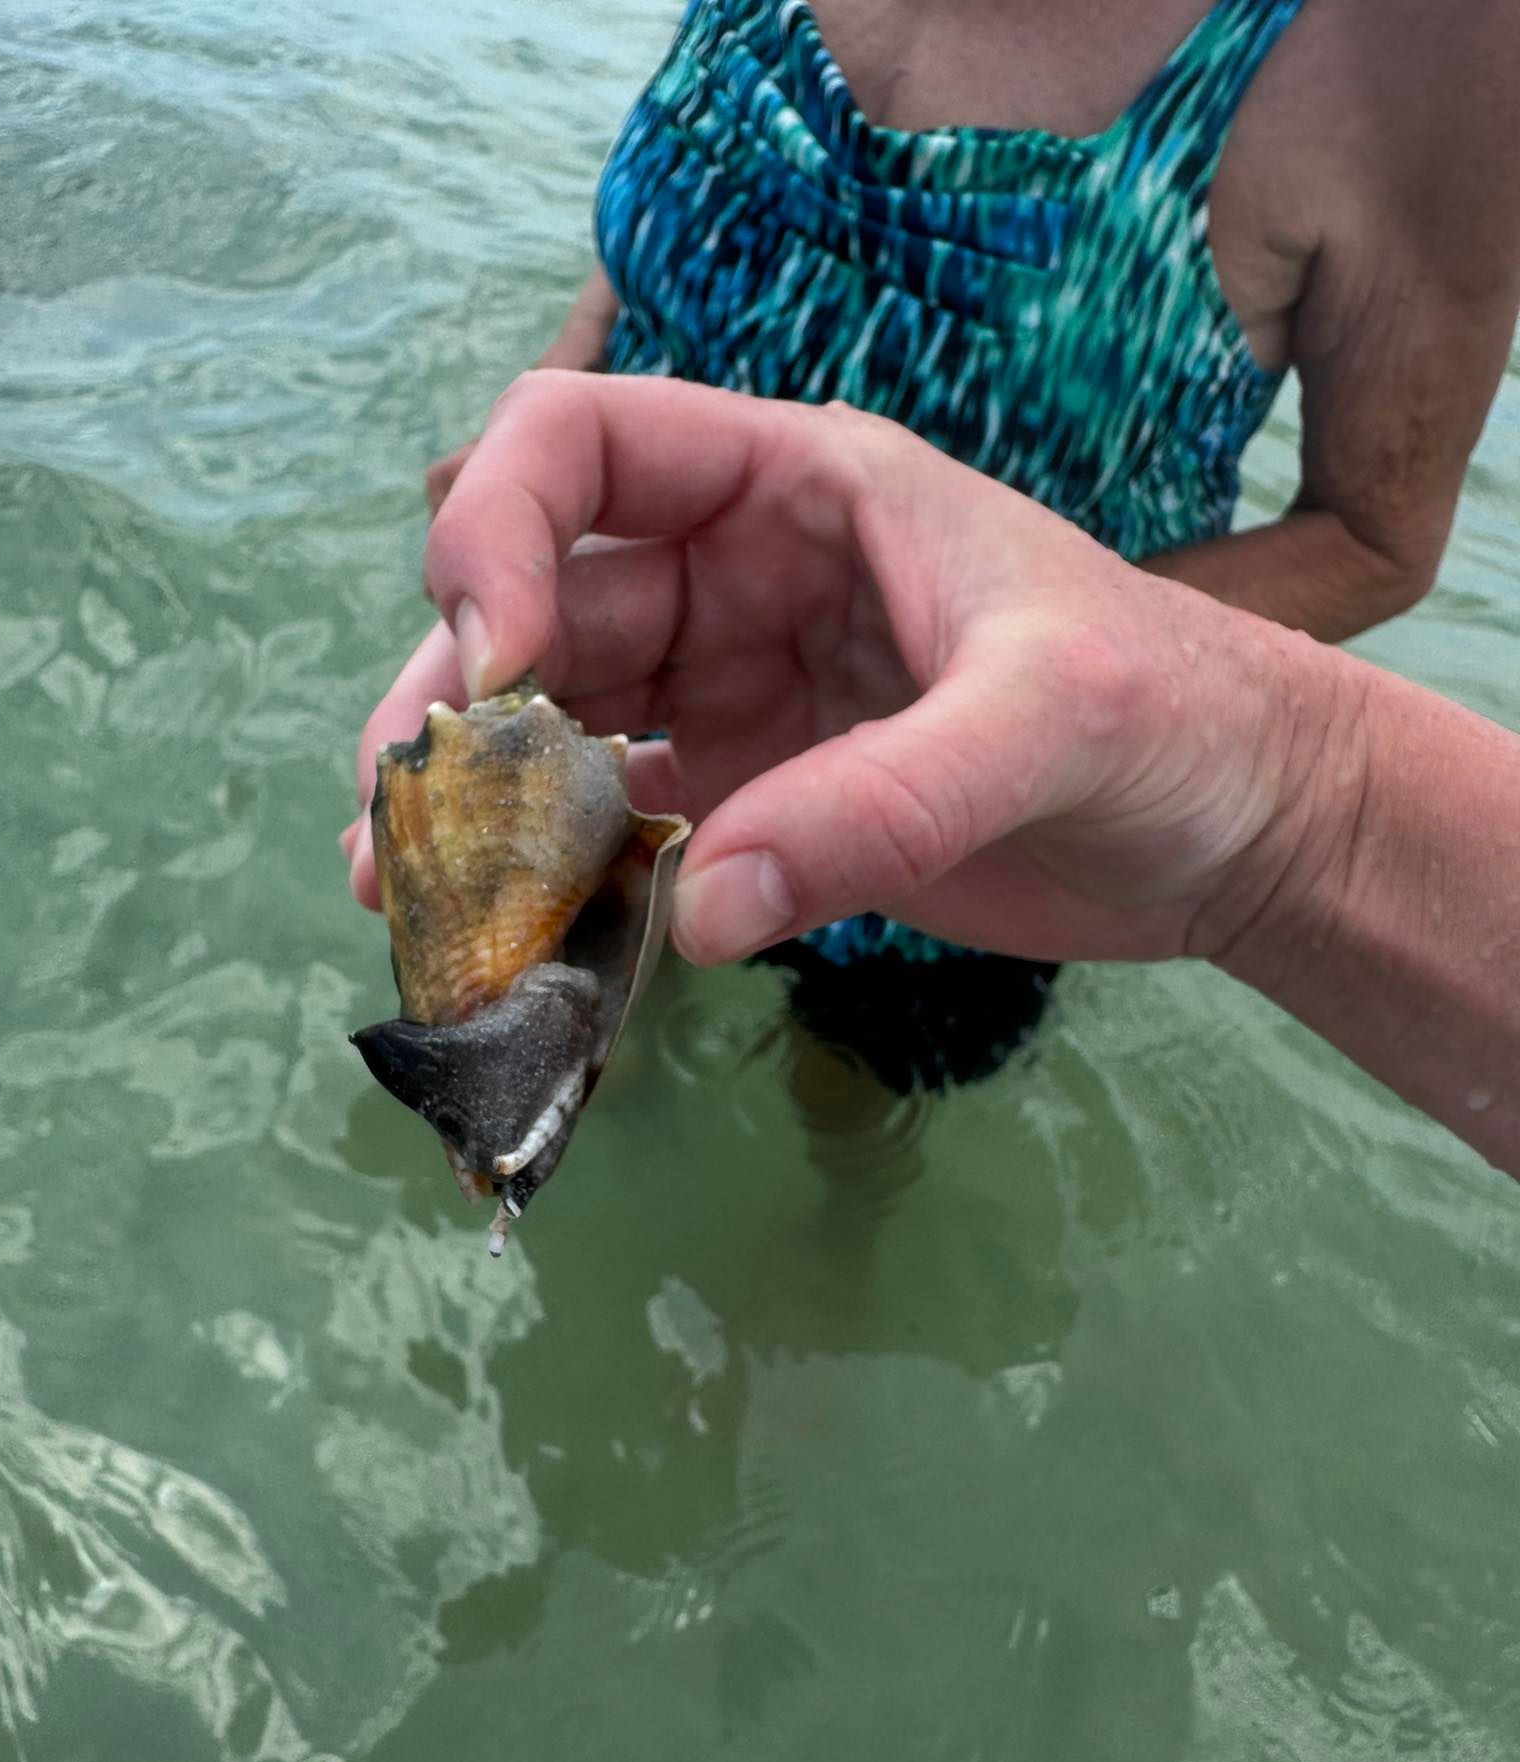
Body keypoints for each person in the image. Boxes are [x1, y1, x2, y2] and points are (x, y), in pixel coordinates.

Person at [393, 0, 1520, 1094]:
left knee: (852, 1105)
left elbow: (1377, 536)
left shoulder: (1421, 36)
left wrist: (1030, 677)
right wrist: (558, 384)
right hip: (631, 675)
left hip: (971, 794)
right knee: (584, 1034)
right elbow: (695, 168)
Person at [350, 372, 1520, 1178]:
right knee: (632, 988)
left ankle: (834, 1241)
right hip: (708, 678)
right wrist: (535, 416)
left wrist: (1232, 739)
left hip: (986, 762)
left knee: (854, 1083)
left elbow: (1381, 535)